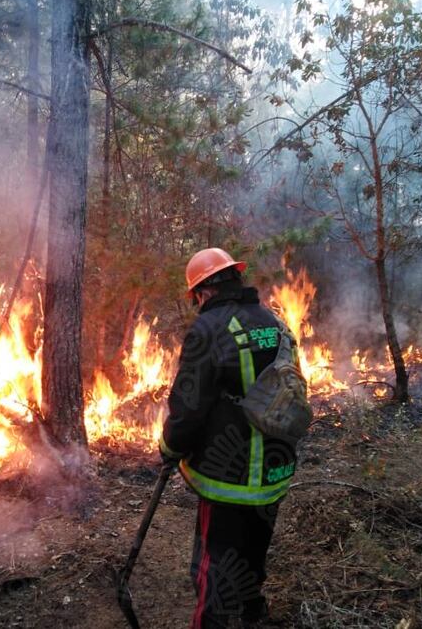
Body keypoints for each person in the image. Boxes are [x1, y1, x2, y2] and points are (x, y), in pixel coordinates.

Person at [160, 248, 298, 629]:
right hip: (275, 471)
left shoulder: (208, 329)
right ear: (235, 279)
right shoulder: (275, 322)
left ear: (202, 292)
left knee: (215, 564)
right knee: (253, 552)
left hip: (230, 478)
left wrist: (170, 446)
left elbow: (188, 409)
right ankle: (253, 614)